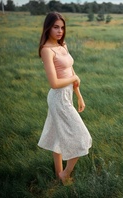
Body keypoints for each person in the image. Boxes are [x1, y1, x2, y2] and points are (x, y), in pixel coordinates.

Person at [37, 12, 92, 185]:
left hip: (68, 95)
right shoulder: (47, 50)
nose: (60, 31)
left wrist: (79, 96)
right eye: (55, 27)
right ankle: (65, 175)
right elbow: (54, 83)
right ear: (48, 28)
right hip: (58, 98)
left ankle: (58, 174)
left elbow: (71, 71)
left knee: (58, 137)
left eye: (62, 27)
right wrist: (74, 79)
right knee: (82, 137)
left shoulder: (63, 46)